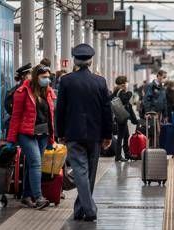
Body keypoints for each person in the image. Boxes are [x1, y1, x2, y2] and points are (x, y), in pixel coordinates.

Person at [56, 43, 113, 222]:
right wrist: (107, 135)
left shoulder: (65, 81)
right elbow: (107, 111)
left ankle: (82, 209)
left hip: (73, 133)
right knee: (89, 173)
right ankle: (89, 209)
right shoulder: (100, 81)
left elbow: (60, 109)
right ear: (90, 61)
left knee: (81, 172)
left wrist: (60, 133)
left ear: (75, 60)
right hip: (95, 136)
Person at [7, 64, 56, 210]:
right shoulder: (22, 92)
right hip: (26, 134)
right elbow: (15, 117)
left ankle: (26, 196)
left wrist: (52, 137)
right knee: (36, 163)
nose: (47, 80)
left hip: (42, 134)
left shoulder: (48, 92)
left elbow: (50, 116)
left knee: (31, 164)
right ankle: (39, 197)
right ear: (36, 77)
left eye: (48, 77)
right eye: (44, 77)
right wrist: (11, 139)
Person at [111, 76, 138, 162]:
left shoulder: (116, 91)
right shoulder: (121, 91)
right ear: (123, 83)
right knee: (120, 137)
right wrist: (129, 92)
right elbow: (125, 100)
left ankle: (127, 154)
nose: (127, 84)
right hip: (121, 118)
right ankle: (119, 156)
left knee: (126, 136)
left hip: (120, 117)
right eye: (126, 82)